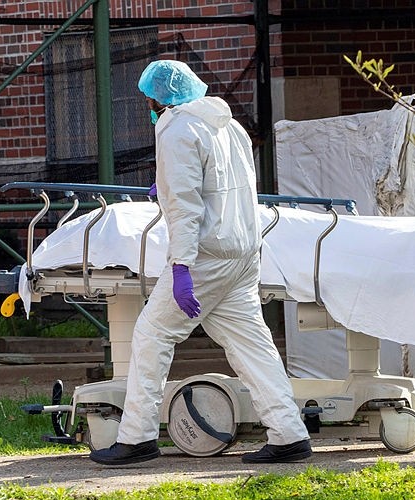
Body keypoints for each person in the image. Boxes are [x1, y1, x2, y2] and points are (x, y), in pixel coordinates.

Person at [90, 60, 312, 464]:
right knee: (252, 345)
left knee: (152, 334)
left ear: (161, 99)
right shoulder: (229, 125)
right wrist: (171, 183)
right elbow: (227, 188)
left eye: (150, 101)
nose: (150, 108)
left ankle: (137, 436)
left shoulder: (177, 129)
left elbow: (186, 208)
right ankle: (288, 433)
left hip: (206, 258)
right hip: (244, 251)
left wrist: (180, 266)